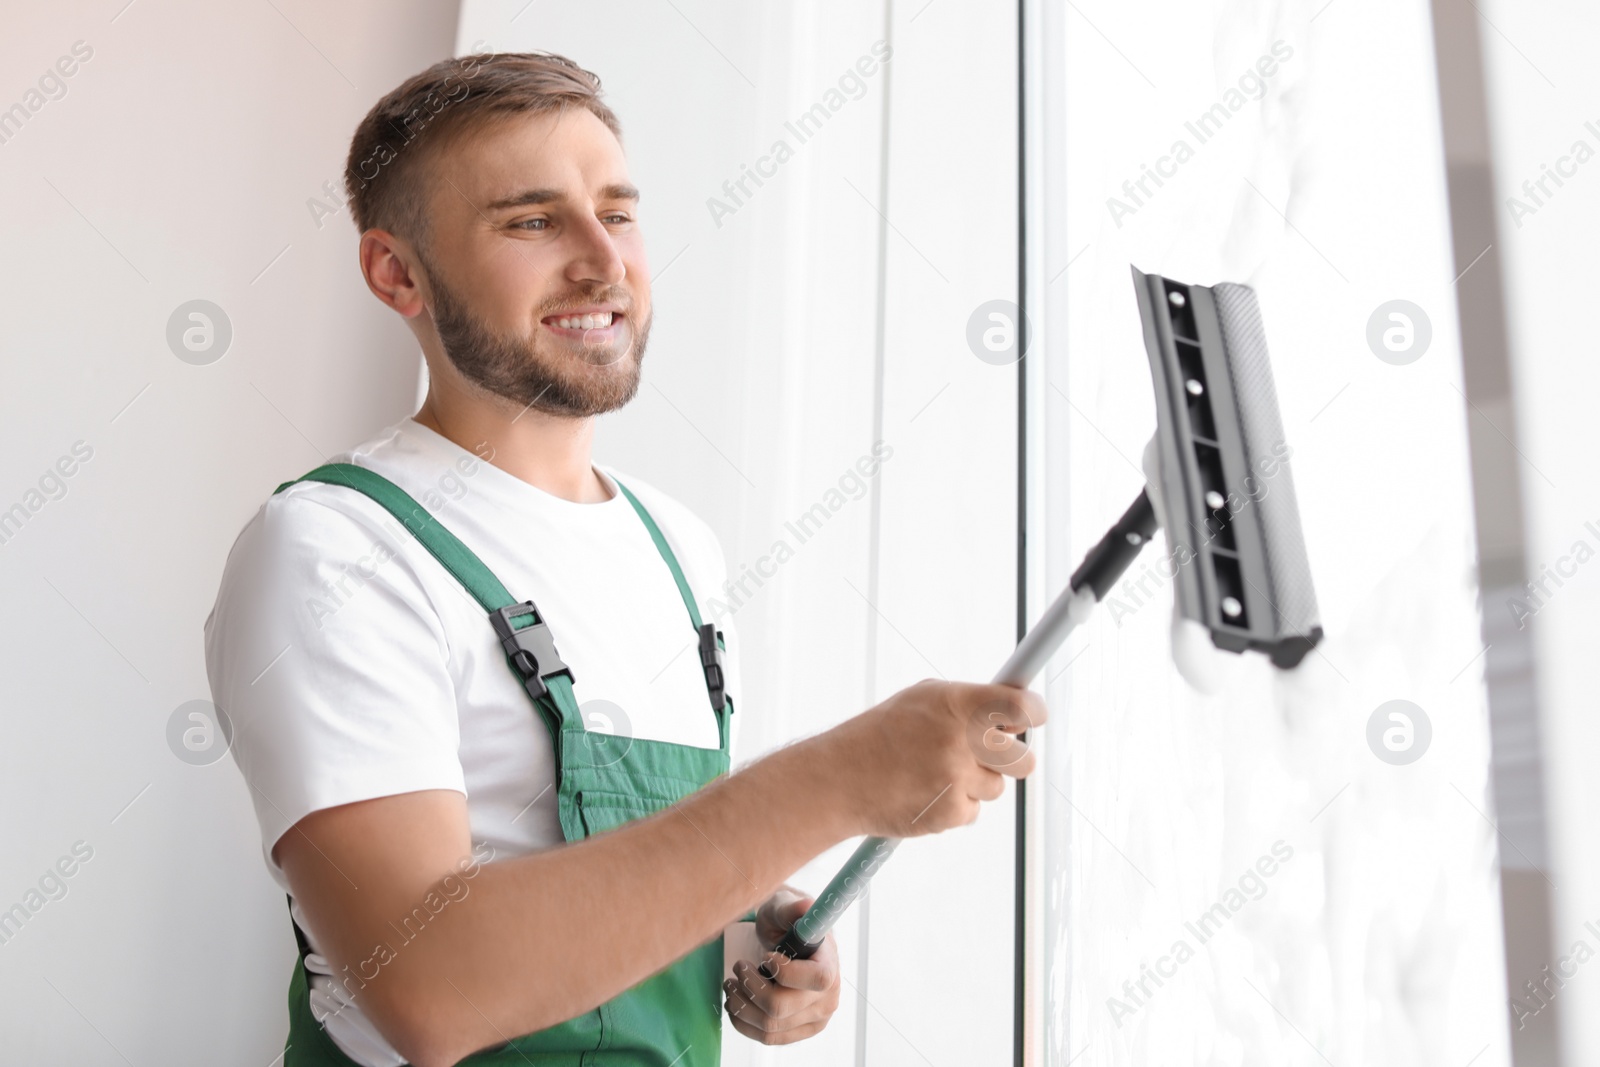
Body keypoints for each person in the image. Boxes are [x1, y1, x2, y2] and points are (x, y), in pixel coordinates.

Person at [203, 50, 1044, 1067]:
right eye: (531, 219)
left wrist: (744, 928)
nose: (604, 261)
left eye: (619, 210)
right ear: (398, 272)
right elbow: (428, 984)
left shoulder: (673, 542)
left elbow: (599, 867)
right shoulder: (337, 548)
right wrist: (834, 781)